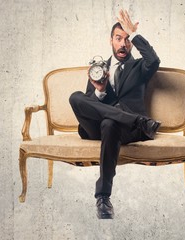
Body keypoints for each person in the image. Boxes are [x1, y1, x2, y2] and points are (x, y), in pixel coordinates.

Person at [69, 9, 160, 219]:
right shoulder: (98, 68)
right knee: (76, 97)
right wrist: (99, 91)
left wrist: (135, 34)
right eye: (119, 38)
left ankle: (103, 198)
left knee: (110, 123)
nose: (123, 44)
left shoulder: (139, 66)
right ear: (111, 40)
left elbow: (154, 60)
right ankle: (139, 121)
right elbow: (88, 106)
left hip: (125, 131)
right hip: (100, 128)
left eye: (127, 40)